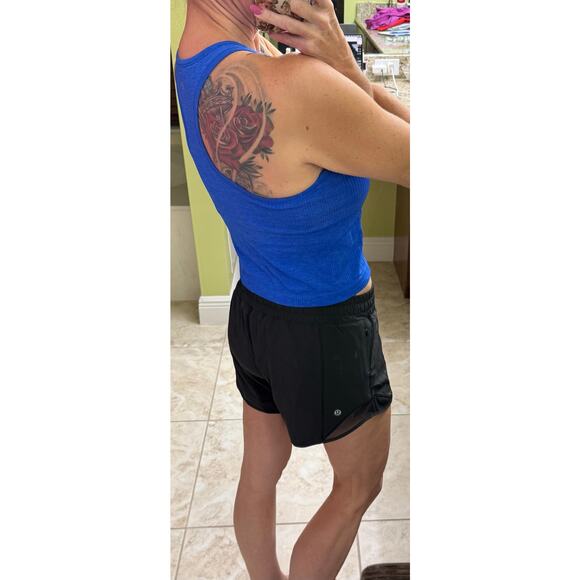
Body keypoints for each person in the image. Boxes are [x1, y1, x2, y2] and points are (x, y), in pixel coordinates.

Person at [174, 1, 410, 578]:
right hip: (326, 328)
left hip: (255, 312)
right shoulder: (297, 83)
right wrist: (345, 67)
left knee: (258, 474)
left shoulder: (194, 57)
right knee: (358, 486)